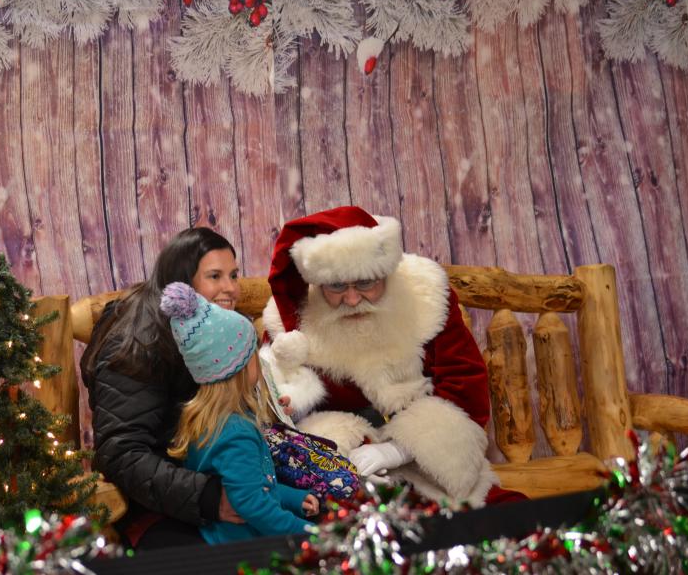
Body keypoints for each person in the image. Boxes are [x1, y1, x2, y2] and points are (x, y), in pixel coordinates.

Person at [260, 206, 516, 508]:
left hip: (427, 462)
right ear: (317, 281)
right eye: (338, 286)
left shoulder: (425, 297)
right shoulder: (291, 322)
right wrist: (335, 460)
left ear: (386, 271)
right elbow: (274, 407)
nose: (353, 300)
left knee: (493, 518)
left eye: (366, 282)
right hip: (341, 462)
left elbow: (464, 386)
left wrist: (398, 451)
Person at [81, 227, 249, 549]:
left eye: (234, 275)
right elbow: (123, 453)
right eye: (215, 276)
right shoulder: (138, 343)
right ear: (181, 283)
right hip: (156, 499)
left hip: (213, 472)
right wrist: (211, 498)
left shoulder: (211, 326)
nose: (231, 289)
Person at [161, 282, 316, 544]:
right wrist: (312, 535)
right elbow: (254, 506)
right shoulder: (236, 433)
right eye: (253, 353)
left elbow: (250, 486)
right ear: (241, 368)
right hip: (247, 547)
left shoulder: (203, 419)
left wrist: (293, 498)